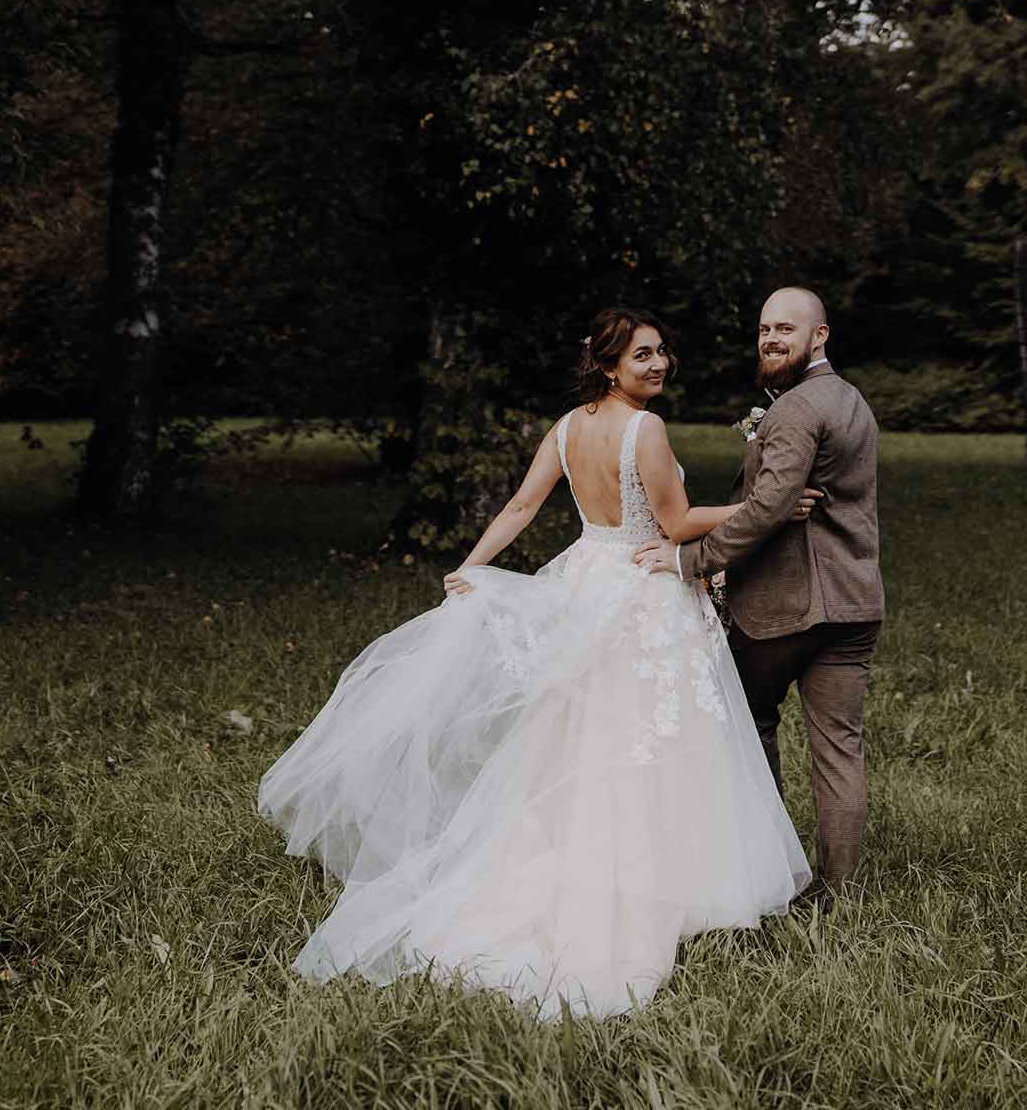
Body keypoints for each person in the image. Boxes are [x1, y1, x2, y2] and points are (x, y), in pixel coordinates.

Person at [256, 307, 817, 1019]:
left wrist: (471, 564)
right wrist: (764, 508)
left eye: (661, 353)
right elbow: (674, 526)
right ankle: (658, 884)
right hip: (643, 592)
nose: (658, 364)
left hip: (586, 580)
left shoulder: (567, 425)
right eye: (642, 356)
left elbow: (523, 506)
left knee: (580, 734)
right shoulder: (645, 429)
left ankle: (585, 857)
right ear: (608, 366)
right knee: (653, 738)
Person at [635, 287, 884, 909]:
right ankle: (841, 895)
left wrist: (689, 560)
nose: (771, 339)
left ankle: (770, 879)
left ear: (819, 336)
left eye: (786, 329)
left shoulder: (796, 409)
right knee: (839, 750)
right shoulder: (853, 402)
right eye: (764, 329)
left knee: (749, 728)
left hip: (785, 608)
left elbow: (770, 505)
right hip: (854, 604)